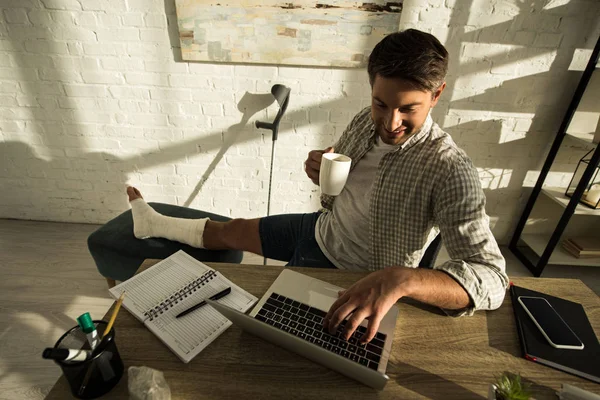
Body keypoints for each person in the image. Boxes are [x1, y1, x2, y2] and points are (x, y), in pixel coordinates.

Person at [127, 29, 508, 345]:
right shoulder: (365, 118)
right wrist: (319, 169)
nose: (391, 122)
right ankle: (153, 223)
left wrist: (402, 278)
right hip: (322, 229)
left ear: (437, 95)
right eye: (381, 103)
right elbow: (338, 188)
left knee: (267, 328)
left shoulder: (450, 170)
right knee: (235, 229)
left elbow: (492, 278)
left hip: (355, 274)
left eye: (408, 108)